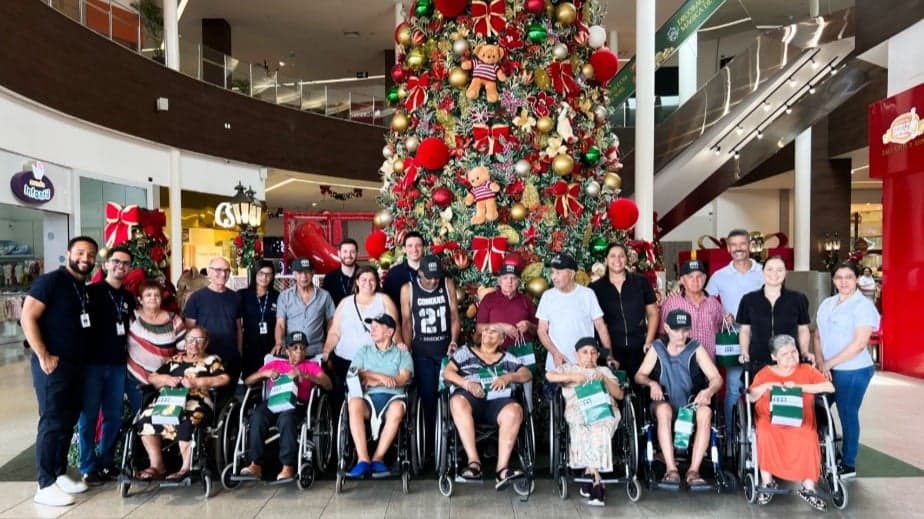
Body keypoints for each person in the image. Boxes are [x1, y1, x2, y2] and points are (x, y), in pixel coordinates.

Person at [22, 236, 98, 506]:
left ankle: (59, 473)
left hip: (76, 366)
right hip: (52, 364)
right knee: (52, 422)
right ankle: (44, 484)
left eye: (90, 255)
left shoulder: (82, 287)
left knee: (68, 420)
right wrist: (43, 354)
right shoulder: (50, 282)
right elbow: (27, 315)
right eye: (80, 253)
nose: (85, 259)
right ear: (68, 253)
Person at [635, 309, 723, 487]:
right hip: (664, 403)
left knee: (705, 413)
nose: (681, 335)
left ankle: (693, 470)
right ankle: (671, 469)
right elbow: (639, 376)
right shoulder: (658, 348)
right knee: (664, 410)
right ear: (667, 328)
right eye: (676, 330)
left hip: (690, 405)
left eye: (685, 330)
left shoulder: (695, 348)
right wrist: (652, 384)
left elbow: (716, 378)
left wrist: (708, 391)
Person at [441, 323, 533, 490]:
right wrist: (467, 384)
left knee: (514, 411)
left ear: (502, 339)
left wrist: (508, 378)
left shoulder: (507, 357)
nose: (488, 333)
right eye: (486, 330)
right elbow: (448, 372)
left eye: (494, 331)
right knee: (457, 401)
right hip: (471, 397)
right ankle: (474, 462)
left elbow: (527, 374)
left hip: (498, 402)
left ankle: (502, 470)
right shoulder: (465, 352)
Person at [748, 335, 834, 511]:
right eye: (785, 353)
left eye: (793, 352)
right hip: (770, 419)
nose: (791, 356)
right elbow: (750, 396)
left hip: (800, 418)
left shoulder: (807, 371)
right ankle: (768, 482)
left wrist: (799, 387)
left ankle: (808, 488)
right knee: (764, 432)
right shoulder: (765, 373)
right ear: (774, 357)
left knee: (809, 434)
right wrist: (767, 386)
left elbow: (829, 387)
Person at [135, 326, 231, 481]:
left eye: (199, 340)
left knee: (186, 422)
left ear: (206, 344)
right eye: (191, 340)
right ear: (185, 343)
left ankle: (186, 467)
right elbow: (152, 377)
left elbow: (224, 379)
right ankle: (157, 465)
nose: (194, 344)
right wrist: (167, 380)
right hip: (169, 401)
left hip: (196, 401)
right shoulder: (175, 360)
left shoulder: (211, 360)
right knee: (146, 419)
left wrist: (196, 382)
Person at [814, 262, 880, 479]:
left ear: (857, 279)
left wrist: (829, 364)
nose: (843, 282)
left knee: (847, 413)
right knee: (815, 408)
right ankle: (826, 449)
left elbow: (860, 343)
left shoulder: (863, 306)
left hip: (853, 370)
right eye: (839, 277)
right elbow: (817, 335)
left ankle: (848, 462)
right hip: (826, 369)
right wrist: (821, 363)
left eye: (849, 277)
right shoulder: (827, 303)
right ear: (833, 280)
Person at [240, 331, 332, 480]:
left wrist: (306, 376)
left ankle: (288, 466)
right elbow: (248, 381)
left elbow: (328, 385)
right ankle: (255, 464)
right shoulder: (275, 364)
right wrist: (265, 374)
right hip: (273, 400)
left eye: (302, 348)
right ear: (287, 350)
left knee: (286, 419)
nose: (299, 352)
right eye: (295, 348)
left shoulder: (311, 366)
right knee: (257, 417)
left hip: (296, 403)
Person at [78, 247, 134, 485]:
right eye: (116, 262)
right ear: (107, 264)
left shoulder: (128, 297)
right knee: (88, 417)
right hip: (93, 365)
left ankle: (107, 462)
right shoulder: (91, 292)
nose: (120, 266)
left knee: (113, 416)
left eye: (125, 263)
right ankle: (88, 466)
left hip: (118, 365)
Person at [546, 337, 624, 507]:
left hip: (603, 410)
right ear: (576, 354)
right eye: (585, 352)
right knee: (581, 426)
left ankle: (591, 476)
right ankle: (596, 480)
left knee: (599, 427)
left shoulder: (603, 370)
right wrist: (574, 376)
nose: (589, 356)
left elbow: (619, 395)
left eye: (593, 352)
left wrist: (603, 379)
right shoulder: (569, 368)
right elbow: (549, 375)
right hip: (578, 411)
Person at [704, 229, 764, 440]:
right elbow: (707, 304)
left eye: (742, 244)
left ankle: (760, 434)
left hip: (761, 337)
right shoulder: (719, 276)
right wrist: (722, 318)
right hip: (734, 337)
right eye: (734, 245)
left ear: (749, 246)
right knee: (732, 387)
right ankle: (731, 437)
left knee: (762, 385)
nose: (738, 248)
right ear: (728, 248)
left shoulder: (764, 272)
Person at [400, 254, 460, 459]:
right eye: (429, 277)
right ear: (420, 273)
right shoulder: (408, 289)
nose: (433, 281)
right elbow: (407, 322)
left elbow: (454, 315)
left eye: (436, 276)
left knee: (449, 395)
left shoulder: (447, 283)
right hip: (422, 351)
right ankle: (429, 445)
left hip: (444, 350)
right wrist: (407, 350)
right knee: (427, 398)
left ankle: (450, 442)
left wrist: (453, 340)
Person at [323, 266, 402, 415]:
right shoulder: (345, 302)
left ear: (377, 282)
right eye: (364, 279)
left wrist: (400, 345)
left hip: (375, 362)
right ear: (357, 282)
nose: (368, 283)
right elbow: (334, 332)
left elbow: (395, 328)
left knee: (370, 397)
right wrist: (327, 350)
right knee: (341, 394)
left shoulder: (384, 300)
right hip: (346, 360)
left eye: (372, 279)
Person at [345, 314, 414, 478]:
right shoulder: (364, 351)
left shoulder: (402, 354)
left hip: (393, 398)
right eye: (372, 325)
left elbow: (403, 378)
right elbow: (354, 373)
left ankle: (378, 458)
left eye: (377, 326)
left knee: (397, 409)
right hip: (368, 399)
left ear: (390, 332)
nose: (372, 329)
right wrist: (382, 377)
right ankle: (363, 459)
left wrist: (372, 379)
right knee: (354, 403)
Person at [537, 253, 616, 372]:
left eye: (558, 273)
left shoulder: (587, 294)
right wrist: (555, 353)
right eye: (553, 272)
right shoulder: (547, 296)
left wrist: (609, 356)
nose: (553, 277)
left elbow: (600, 327)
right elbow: (542, 330)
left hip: (585, 367)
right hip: (557, 367)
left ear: (572, 274)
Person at [590, 243, 659, 378]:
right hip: (610, 351)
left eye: (621, 256)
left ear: (626, 259)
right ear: (606, 260)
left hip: (639, 348)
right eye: (613, 256)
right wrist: (606, 353)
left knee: (642, 389)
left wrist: (648, 341)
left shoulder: (641, 282)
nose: (617, 260)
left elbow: (653, 313)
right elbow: (595, 323)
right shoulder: (595, 288)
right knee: (614, 393)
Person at [737, 256, 812, 376]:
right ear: (763, 272)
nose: (774, 274)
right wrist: (744, 352)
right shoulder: (749, 300)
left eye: (779, 270)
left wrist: (804, 352)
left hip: (789, 361)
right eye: (770, 269)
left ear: (786, 272)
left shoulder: (798, 299)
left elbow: (803, 329)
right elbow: (745, 330)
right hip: (758, 360)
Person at [127, 279, 187, 414]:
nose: (153, 298)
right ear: (140, 299)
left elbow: (183, 350)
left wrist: (170, 372)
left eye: (156, 295)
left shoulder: (174, 319)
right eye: (148, 295)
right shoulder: (131, 318)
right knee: (143, 417)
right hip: (138, 379)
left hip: (167, 379)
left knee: (165, 418)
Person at [184, 257, 243, 385]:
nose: (223, 274)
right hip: (205, 357)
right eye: (218, 270)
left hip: (230, 356)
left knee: (228, 397)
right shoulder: (196, 298)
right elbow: (189, 330)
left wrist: (239, 352)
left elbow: (238, 328)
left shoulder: (235, 297)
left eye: (227, 270)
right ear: (209, 272)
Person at [659, 259, 724, 359]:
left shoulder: (714, 303)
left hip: (709, 366)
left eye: (699, 276)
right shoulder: (671, 303)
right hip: (680, 366)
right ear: (682, 280)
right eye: (690, 277)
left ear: (705, 278)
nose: (695, 280)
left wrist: (729, 320)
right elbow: (662, 334)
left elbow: (722, 329)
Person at [274, 257, 335, 358]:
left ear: (313, 273)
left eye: (307, 272)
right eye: (299, 273)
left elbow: (331, 322)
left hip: (316, 351)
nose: (304, 276)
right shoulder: (285, 296)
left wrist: (328, 347)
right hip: (291, 352)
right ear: (294, 274)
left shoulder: (325, 296)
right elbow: (280, 324)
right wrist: (279, 343)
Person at [476, 263, 537, 350]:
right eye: (505, 278)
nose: (509, 282)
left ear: (518, 282)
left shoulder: (526, 300)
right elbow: (479, 328)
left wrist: (528, 325)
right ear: (499, 281)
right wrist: (500, 327)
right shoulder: (488, 299)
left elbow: (537, 330)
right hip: (495, 353)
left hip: (522, 354)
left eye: (513, 278)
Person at [239, 260, 279, 380]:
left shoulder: (277, 296)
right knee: (250, 380)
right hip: (249, 347)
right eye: (261, 273)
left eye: (268, 274)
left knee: (271, 381)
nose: (264, 277)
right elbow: (237, 324)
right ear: (255, 274)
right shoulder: (243, 295)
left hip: (271, 347)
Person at [383, 231, 425, 310]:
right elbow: (386, 302)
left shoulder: (434, 270)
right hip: (401, 320)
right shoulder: (393, 274)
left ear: (423, 248)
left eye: (418, 245)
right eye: (410, 246)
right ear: (404, 249)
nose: (414, 249)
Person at [322, 238, 359, 307]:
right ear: (339, 253)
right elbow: (325, 304)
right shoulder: (329, 278)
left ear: (357, 253)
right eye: (345, 251)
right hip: (336, 316)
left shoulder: (365, 275)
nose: (349, 255)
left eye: (352, 252)